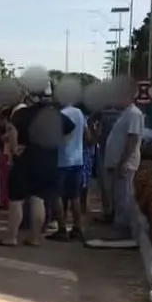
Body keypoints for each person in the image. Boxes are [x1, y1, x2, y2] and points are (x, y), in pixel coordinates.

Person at [0, 86, 74, 247]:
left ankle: (11, 237)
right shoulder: (56, 115)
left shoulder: (21, 114)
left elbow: (12, 132)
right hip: (48, 163)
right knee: (38, 199)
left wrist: (15, 149)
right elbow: (69, 131)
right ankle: (35, 237)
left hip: (25, 162)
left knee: (16, 200)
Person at [103, 82, 144, 240]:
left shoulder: (133, 114)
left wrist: (123, 162)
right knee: (119, 196)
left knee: (124, 197)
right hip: (118, 162)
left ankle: (123, 230)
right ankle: (119, 226)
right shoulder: (126, 113)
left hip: (125, 163)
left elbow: (132, 140)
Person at [47, 101, 85, 242]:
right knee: (75, 196)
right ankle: (77, 227)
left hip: (61, 160)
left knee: (56, 195)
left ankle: (62, 228)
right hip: (77, 159)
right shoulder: (79, 113)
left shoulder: (60, 115)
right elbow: (86, 135)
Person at [90, 102, 122, 224]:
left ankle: (114, 213)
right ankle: (108, 213)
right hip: (104, 150)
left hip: (118, 151)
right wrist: (95, 136)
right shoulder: (101, 109)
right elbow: (90, 122)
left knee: (115, 185)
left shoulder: (124, 110)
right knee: (105, 185)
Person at [0, 106, 14, 210]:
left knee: (3, 180)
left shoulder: (8, 128)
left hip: (6, 155)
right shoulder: (7, 128)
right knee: (3, 179)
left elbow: (4, 139)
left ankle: (4, 201)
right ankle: (4, 200)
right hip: (4, 154)